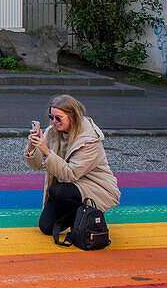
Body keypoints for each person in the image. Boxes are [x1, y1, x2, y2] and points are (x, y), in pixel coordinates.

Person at [24, 95, 120, 236]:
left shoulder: (89, 140)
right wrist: (32, 146)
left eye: (59, 118)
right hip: (68, 186)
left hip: (95, 187)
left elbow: (70, 175)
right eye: (52, 117)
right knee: (46, 227)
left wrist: (46, 150)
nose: (54, 122)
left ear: (73, 116)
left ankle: (89, 213)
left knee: (56, 191)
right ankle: (81, 215)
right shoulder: (53, 132)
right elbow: (37, 165)